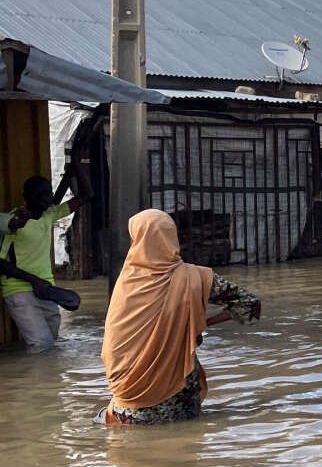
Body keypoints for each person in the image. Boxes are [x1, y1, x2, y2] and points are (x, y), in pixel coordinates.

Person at [102, 210, 261, 425]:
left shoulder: (125, 283)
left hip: (129, 409)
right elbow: (250, 305)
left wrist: (191, 326)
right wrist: (200, 324)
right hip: (178, 402)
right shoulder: (195, 277)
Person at [1, 171, 90, 350]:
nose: (44, 197)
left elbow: (87, 196)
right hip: (19, 290)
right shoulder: (12, 220)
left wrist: (78, 167)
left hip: (47, 290)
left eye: (47, 192)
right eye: (39, 193)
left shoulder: (49, 215)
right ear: (26, 196)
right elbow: (1, 262)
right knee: (42, 345)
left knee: (52, 346)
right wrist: (34, 281)